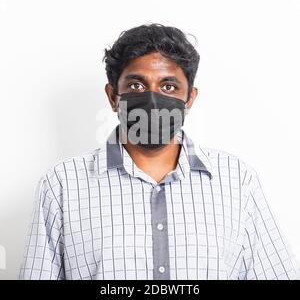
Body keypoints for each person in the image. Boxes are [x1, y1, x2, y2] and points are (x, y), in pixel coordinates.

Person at [19, 23, 300, 280]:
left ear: (190, 97)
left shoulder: (237, 181)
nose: (152, 99)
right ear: (112, 96)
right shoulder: (62, 185)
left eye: (168, 86)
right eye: (136, 85)